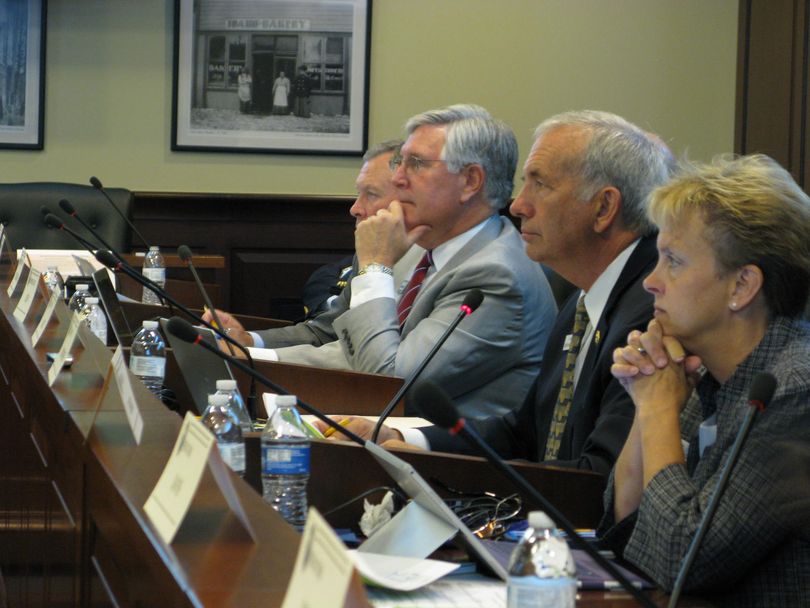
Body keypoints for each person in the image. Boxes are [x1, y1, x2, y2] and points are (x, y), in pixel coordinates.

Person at [334, 110, 675, 475]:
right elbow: (524, 433)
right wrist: (407, 441)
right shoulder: (582, 300)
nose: (518, 205)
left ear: (604, 207)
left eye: (540, 185)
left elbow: (595, 479)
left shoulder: (652, 312)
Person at [210, 104, 556, 418]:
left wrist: (375, 266)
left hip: (454, 469)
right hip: (378, 431)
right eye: (399, 162)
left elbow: (385, 383)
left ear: (470, 181)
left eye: (416, 164)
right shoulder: (422, 245)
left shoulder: (496, 276)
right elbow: (354, 349)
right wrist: (249, 358)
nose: (398, 178)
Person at [599, 154, 810, 604]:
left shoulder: (794, 392)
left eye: (673, 261)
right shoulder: (714, 377)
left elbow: (680, 558)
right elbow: (626, 528)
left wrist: (657, 408)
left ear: (741, 286)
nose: (651, 282)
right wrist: (648, 390)